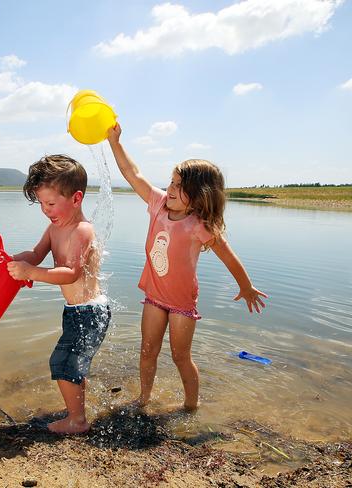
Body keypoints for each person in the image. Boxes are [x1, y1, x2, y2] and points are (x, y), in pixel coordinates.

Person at [107, 123, 267, 411]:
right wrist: (115, 143)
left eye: (180, 186)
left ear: (199, 194)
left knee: (180, 356)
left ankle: (191, 406)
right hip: (155, 297)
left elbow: (229, 257)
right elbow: (134, 174)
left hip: (181, 302)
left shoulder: (200, 226)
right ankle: (144, 399)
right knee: (147, 350)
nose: (171, 189)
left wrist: (245, 286)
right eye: (171, 182)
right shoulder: (157, 204)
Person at [7, 155, 110, 434]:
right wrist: (11, 260)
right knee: (73, 363)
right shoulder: (54, 228)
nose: (45, 209)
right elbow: (36, 254)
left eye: (50, 203)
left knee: (62, 362)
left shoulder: (82, 231)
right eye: (41, 203)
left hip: (91, 311)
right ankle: (77, 410)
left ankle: (77, 421)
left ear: (76, 199)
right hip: (75, 310)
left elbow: (71, 273)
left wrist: (31, 273)